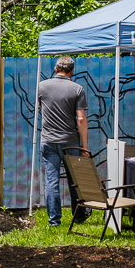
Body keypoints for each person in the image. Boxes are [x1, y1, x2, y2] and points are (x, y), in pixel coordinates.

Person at [37, 56, 90, 227]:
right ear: (72, 71)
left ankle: (54, 220)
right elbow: (81, 119)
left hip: (48, 140)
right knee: (74, 180)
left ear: (55, 69)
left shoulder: (41, 86)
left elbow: (40, 109)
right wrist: (84, 146)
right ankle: (79, 215)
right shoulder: (77, 89)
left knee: (51, 181)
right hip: (70, 141)